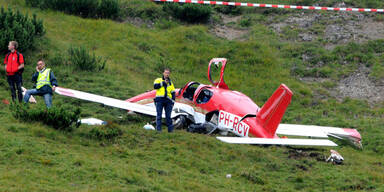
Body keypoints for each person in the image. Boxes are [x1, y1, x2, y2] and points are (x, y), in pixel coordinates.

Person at [154, 68, 176, 132]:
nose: (167, 74)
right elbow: (155, 86)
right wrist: (163, 83)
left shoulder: (171, 83)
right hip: (160, 100)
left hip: (168, 101)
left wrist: (173, 102)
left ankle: (170, 130)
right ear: (163, 73)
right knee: (159, 115)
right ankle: (158, 130)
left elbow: (173, 92)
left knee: (168, 116)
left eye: (168, 73)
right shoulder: (158, 80)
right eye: (166, 73)